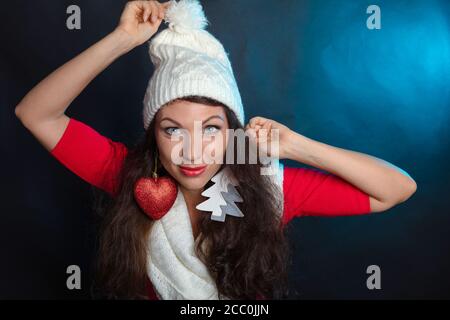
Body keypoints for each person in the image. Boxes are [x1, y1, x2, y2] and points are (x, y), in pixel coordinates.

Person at [15, 0, 417, 300]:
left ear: (233, 134)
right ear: (153, 133)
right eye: (172, 129)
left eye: (211, 129)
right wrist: (121, 40)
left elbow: (396, 189)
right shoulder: (127, 173)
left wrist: (298, 146)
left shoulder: (269, 188)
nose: (192, 152)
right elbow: (36, 113)